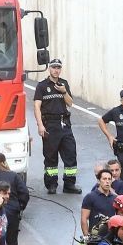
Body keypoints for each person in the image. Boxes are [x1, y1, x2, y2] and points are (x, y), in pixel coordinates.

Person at [33, 58, 81, 194]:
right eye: (54, 67)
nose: (56, 70)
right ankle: (51, 185)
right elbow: (37, 106)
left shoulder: (64, 83)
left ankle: (69, 184)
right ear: (49, 69)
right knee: (50, 156)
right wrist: (40, 125)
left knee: (70, 154)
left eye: (58, 68)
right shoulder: (42, 86)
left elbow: (70, 103)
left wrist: (64, 91)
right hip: (50, 124)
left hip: (64, 123)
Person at [80, 168, 117, 236]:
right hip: (95, 237)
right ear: (99, 181)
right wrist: (87, 236)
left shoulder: (115, 198)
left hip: (111, 238)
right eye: (104, 179)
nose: (107, 181)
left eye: (109, 179)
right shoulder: (90, 197)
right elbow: (84, 219)